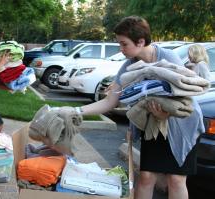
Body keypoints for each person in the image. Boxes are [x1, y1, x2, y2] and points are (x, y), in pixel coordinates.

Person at [71, 16, 205, 199]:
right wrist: (76, 111)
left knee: (176, 179)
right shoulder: (129, 66)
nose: (121, 49)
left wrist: (166, 114)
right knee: (147, 177)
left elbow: (185, 96)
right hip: (154, 125)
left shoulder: (168, 57)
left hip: (182, 124)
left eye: (124, 44)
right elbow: (110, 101)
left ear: (140, 41)